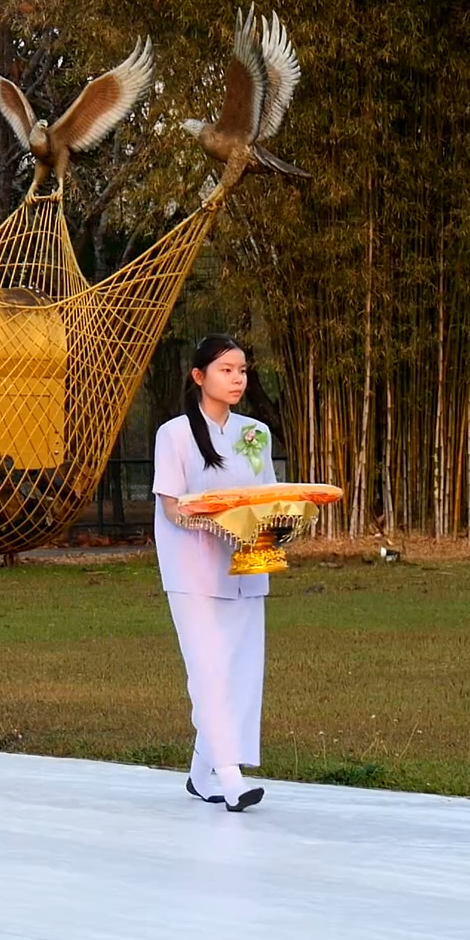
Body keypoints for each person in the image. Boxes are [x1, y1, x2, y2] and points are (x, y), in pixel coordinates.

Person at [151, 335, 276, 813]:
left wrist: (274, 531)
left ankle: (202, 773)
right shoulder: (174, 434)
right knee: (208, 670)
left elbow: (268, 498)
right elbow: (173, 507)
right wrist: (221, 523)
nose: (237, 378)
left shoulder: (256, 433)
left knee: (241, 671)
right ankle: (230, 777)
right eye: (226, 370)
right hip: (194, 570)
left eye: (242, 369)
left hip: (248, 564)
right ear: (199, 376)